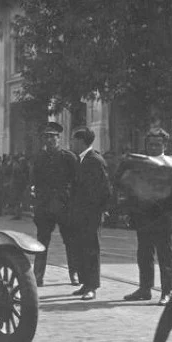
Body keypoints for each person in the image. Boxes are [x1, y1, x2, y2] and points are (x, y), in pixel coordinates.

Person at [124, 127, 172, 305]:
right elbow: (132, 187)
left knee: (165, 255)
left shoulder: (171, 164)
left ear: (165, 145)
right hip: (143, 216)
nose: (153, 148)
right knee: (144, 253)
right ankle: (145, 288)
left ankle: (167, 292)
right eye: (150, 145)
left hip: (163, 216)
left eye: (157, 145)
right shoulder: (141, 163)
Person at [31, 122, 79, 287]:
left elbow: (77, 182)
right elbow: (34, 181)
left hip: (64, 205)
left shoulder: (68, 157)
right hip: (44, 206)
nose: (49, 140)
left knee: (70, 241)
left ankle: (74, 273)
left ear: (59, 138)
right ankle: (38, 275)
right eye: (46, 136)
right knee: (41, 242)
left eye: (52, 136)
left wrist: (73, 203)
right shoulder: (39, 158)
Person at [68, 127, 111, 300]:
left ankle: (92, 286)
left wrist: (100, 210)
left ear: (81, 141)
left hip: (91, 213)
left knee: (91, 249)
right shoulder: (81, 160)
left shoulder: (95, 160)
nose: (71, 143)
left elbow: (105, 189)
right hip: (79, 213)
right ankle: (85, 283)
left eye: (73, 140)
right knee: (80, 248)